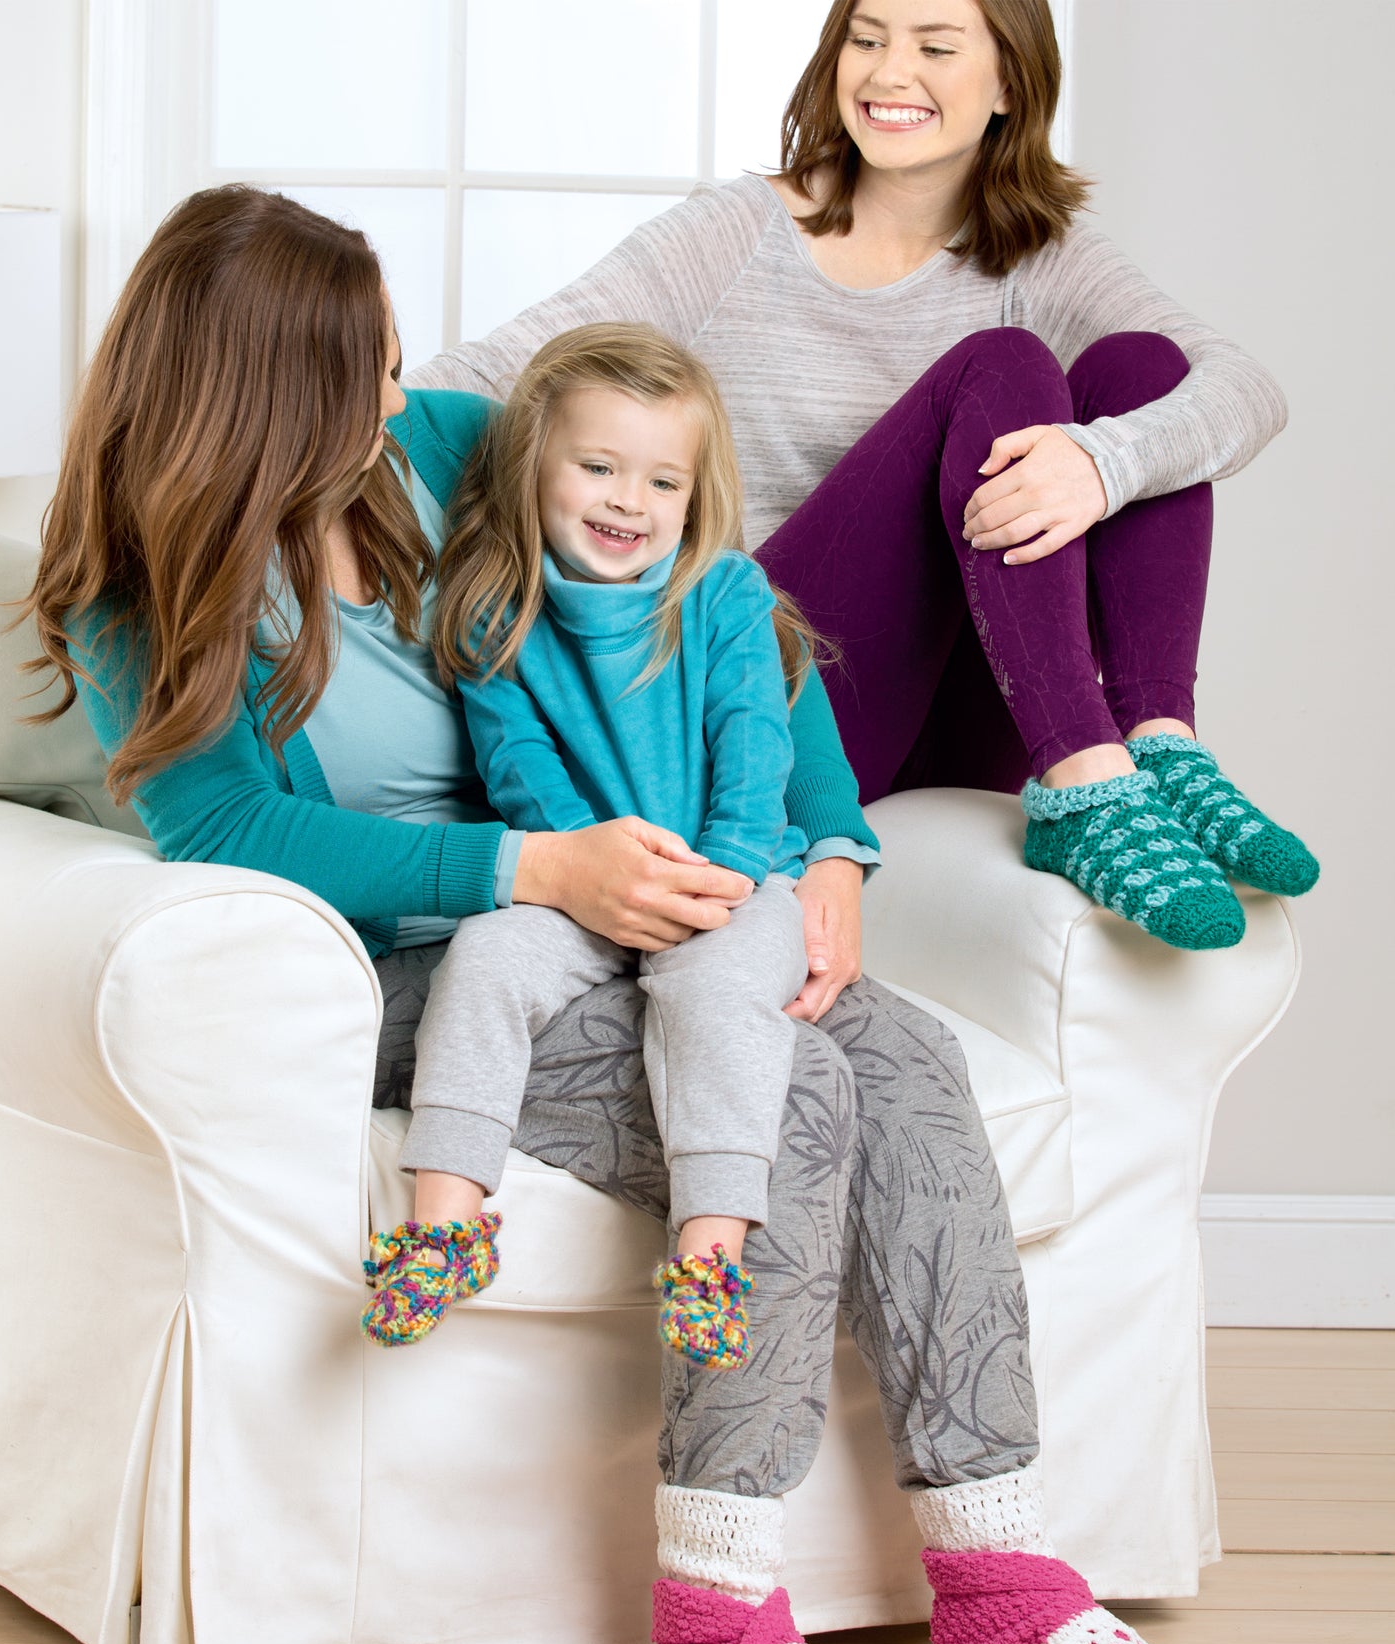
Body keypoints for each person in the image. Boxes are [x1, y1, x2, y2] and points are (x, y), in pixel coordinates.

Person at [27, 185, 1235, 1644]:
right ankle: (718, 1619)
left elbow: (719, 594)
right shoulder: (142, 592)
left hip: (647, 902)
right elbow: (228, 824)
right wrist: (531, 871)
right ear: (267, 397)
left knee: (904, 1057)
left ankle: (998, 1561)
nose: (403, 399)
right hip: (436, 968)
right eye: (365, 376)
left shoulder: (447, 453)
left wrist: (825, 853)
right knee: (789, 1093)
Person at [411, 0, 1319, 957]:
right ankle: (1089, 776)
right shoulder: (741, 230)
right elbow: (504, 370)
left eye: (933, 46)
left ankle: (1157, 743)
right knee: (1004, 366)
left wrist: (1101, 464)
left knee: (1139, 373)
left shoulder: (1046, 260)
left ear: (1009, 79)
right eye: (867, 37)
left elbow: (1244, 390)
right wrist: (330, 406)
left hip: (975, 705)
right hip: (773, 702)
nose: (889, 75)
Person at [363, 322, 819, 1369]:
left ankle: (709, 1249)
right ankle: (443, 1220)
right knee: (481, 959)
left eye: (663, 481)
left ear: (695, 496)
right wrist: (594, 874)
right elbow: (521, 772)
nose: (629, 502)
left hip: (730, 883)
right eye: (599, 468)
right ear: (535, 467)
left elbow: (754, 745)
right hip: (577, 887)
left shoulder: (724, 595)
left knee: (711, 999)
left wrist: (724, 873)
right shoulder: (492, 607)